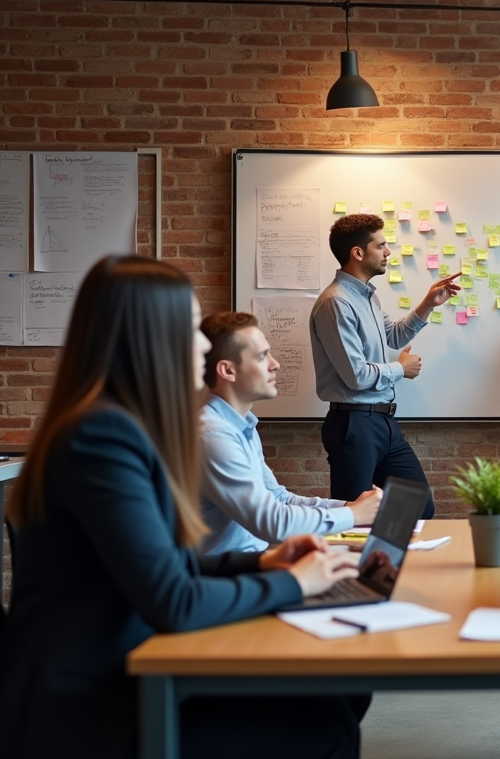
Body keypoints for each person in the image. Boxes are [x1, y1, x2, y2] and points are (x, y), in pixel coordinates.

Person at [0, 255, 367, 759]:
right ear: (151, 336)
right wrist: (295, 583)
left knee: (335, 700)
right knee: (327, 726)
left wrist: (261, 561)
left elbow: (156, 563)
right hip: (90, 702)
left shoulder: (111, 425)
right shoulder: (103, 437)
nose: (201, 341)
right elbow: (172, 599)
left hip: (122, 666)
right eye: (191, 326)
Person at [310, 213, 460, 518]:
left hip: (383, 423)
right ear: (358, 253)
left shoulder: (367, 298)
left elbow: (394, 335)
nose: (388, 252)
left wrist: (428, 303)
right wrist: (400, 369)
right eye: (381, 245)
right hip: (354, 425)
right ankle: (359, 566)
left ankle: (387, 560)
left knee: (418, 506)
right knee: (353, 518)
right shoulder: (336, 302)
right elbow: (356, 375)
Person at [198, 311, 383, 554]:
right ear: (228, 371)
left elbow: (279, 499)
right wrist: (354, 514)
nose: (275, 364)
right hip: (225, 579)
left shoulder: (242, 426)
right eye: (262, 356)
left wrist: (351, 505)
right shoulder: (214, 435)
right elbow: (273, 523)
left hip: (254, 565)